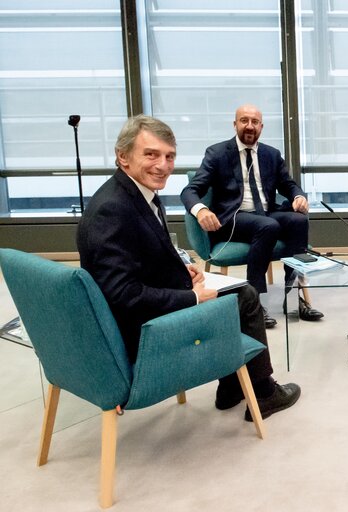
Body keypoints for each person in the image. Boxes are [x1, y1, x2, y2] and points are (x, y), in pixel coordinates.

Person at [77, 115, 300, 421]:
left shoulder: (131, 194)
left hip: (148, 304)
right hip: (143, 333)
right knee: (246, 297)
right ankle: (263, 392)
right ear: (123, 156)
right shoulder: (112, 211)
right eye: (151, 154)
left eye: (169, 156)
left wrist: (182, 271)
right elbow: (124, 296)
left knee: (242, 283)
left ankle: (232, 386)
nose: (163, 165)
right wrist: (192, 298)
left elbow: (139, 259)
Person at [181, 104, 323, 328]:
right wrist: (202, 210)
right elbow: (190, 190)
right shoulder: (217, 153)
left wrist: (299, 196)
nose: (249, 126)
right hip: (232, 218)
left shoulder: (271, 155)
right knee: (267, 226)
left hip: (266, 214)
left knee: (297, 220)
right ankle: (255, 303)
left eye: (254, 122)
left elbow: (289, 185)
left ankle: (294, 297)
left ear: (261, 126)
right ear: (235, 124)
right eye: (244, 120)